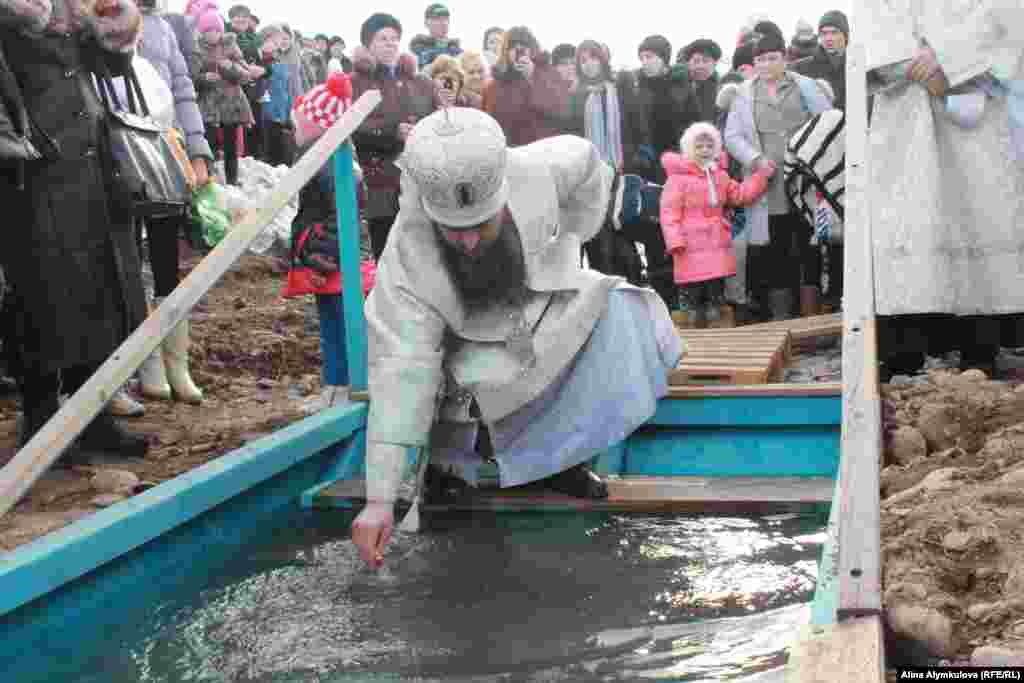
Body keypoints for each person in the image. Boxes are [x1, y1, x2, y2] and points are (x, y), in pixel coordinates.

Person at [350, 108, 683, 569]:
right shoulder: (409, 264)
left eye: (480, 227)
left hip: (530, 304)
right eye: (454, 231)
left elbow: (591, 170)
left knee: (619, 307)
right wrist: (380, 502)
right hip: (457, 355)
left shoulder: (542, 170)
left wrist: (571, 236)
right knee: (447, 381)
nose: (468, 243)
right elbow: (401, 373)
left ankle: (560, 461)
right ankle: (450, 470)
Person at [1, 0, 150, 460]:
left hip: (92, 170)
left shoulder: (73, 12)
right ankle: (41, 422)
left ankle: (93, 418)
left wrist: (116, 26)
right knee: (40, 297)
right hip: (30, 176)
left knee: (99, 291)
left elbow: (112, 65)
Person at [860, 0, 1024, 378]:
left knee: (975, 218)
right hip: (907, 111)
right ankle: (906, 351)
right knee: (910, 224)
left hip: (973, 104)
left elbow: (1004, 16)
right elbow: (875, 23)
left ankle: (978, 348)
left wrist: (946, 58)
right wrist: (917, 64)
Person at [723, 29, 832, 320]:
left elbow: (827, 122)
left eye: (773, 58)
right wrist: (755, 159)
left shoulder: (806, 86)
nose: (767, 65)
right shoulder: (744, 95)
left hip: (804, 179)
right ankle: (782, 318)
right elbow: (732, 136)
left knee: (810, 243)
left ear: (784, 59)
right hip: (768, 184)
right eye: (761, 59)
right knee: (776, 247)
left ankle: (812, 314)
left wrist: (811, 159)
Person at [134, 0, 212, 407]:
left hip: (166, 150)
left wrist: (197, 150)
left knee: (167, 260)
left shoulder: (165, 27)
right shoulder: (100, 18)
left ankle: (176, 362)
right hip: (120, 154)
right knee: (129, 261)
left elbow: (183, 90)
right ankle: (145, 362)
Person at [660, 122, 775, 328]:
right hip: (689, 242)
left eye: (709, 146)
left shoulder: (719, 175)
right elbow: (669, 212)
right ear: (688, 149)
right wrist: (674, 240)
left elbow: (739, 194)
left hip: (715, 238)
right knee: (693, 283)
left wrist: (761, 177)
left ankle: (715, 309)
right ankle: (694, 312)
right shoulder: (677, 179)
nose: (705, 150)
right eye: (699, 146)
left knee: (715, 282)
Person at [350, 12, 439, 261]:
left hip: (414, 177)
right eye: (382, 38)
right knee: (386, 248)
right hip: (377, 178)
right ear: (368, 45)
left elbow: (435, 116)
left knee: (419, 247)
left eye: (394, 39)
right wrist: (392, 131)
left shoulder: (417, 82)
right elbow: (351, 129)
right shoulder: (356, 82)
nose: (390, 44)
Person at [482, 25, 573, 147]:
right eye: (512, 47)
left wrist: (533, 76)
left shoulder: (549, 73)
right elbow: (491, 124)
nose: (518, 51)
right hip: (512, 154)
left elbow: (562, 109)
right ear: (506, 52)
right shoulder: (496, 83)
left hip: (545, 151)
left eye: (524, 46)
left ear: (532, 49)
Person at [680, 39, 722, 124]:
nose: (700, 66)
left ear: (715, 63)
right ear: (688, 63)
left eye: (705, 61)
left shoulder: (721, 91)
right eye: (696, 61)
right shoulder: (679, 87)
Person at [409, 2, 461, 71]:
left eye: (446, 19)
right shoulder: (415, 53)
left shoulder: (458, 53)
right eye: (438, 19)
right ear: (426, 23)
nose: (444, 23)